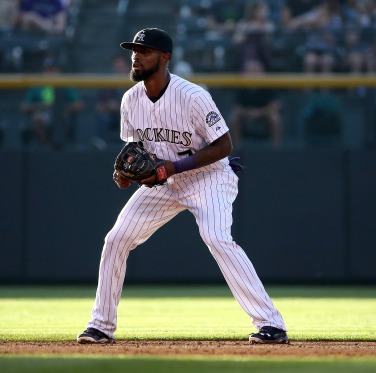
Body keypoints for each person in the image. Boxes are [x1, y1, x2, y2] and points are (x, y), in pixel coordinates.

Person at [76, 28, 288, 345]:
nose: (136, 56)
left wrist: (172, 168)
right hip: (164, 181)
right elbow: (135, 147)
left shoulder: (192, 96)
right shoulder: (130, 99)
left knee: (216, 237)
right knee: (117, 238)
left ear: (165, 57)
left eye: (144, 51)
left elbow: (224, 145)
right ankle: (101, 326)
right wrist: (125, 172)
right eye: (134, 50)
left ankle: (271, 325)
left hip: (209, 177)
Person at [20, 56, 84, 147]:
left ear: (58, 70)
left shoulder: (64, 84)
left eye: (52, 69)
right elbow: (24, 106)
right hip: (43, 113)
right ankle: (45, 146)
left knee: (61, 120)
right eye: (47, 69)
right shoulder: (38, 85)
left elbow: (79, 105)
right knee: (38, 118)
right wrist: (40, 106)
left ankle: (60, 147)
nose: (49, 72)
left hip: (61, 115)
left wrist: (60, 107)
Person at [229, 57, 283, 148]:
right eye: (250, 71)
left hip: (265, 114)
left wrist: (259, 112)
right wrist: (247, 112)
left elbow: (275, 105)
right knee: (234, 118)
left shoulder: (268, 84)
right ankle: (236, 149)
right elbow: (237, 107)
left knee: (275, 118)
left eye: (256, 70)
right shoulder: (242, 84)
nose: (253, 73)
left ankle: (276, 149)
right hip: (247, 114)